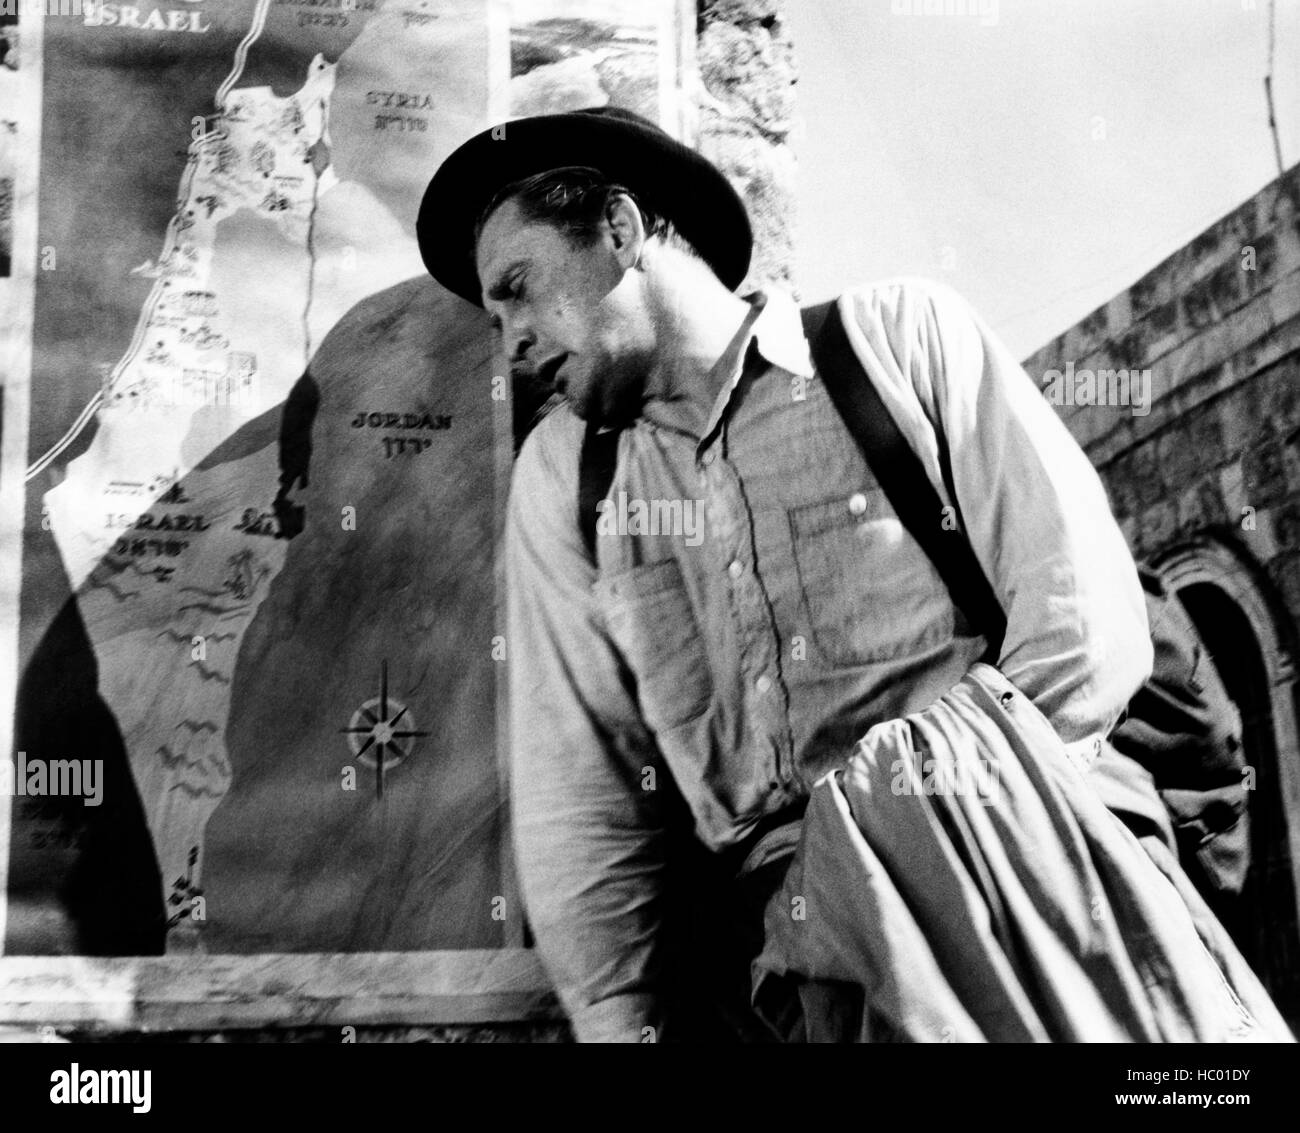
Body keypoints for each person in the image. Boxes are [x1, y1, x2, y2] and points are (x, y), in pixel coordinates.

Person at [417, 106, 1292, 1042]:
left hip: (1047, 881)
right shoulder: (567, 483)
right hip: (809, 973)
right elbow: (581, 800)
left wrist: (909, 838)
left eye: (517, 286)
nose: (506, 338)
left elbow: (1084, 628)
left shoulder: (898, 340)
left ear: (623, 232)